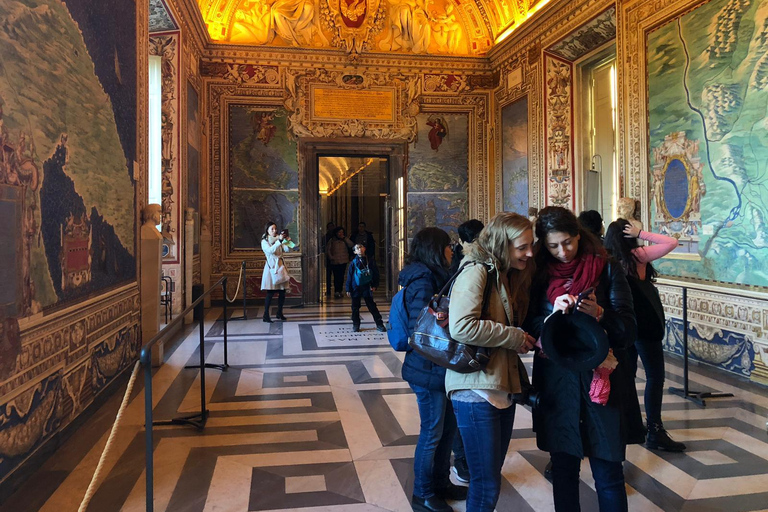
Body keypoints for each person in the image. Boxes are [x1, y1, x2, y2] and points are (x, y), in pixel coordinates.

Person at [526, 206, 644, 512]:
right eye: (553, 246)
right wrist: (553, 313)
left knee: (608, 471)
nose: (562, 252)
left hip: (602, 381)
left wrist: (600, 314)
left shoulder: (606, 267)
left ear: (579, 236)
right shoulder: (539, 272)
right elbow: (529, 324)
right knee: (564, 470)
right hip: (558, 382)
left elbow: (629, 329)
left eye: (568, 242)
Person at [446, 213, 537, 512]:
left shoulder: (503, 272)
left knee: (489, 479)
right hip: (475, 388)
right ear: (502, 243)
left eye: (531, 245)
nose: (530, 253)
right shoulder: (476, 270)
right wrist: (513, 337)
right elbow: (462, 326)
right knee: (485, 484)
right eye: (522, 247)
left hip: (498, 385)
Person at [397, 227, 467, 512]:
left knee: (447, 431)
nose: (452, 250)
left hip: (440, 368)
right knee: (432, 434)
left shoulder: (435, 275)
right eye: (448, 245)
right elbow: (420, 332)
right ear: (435, 249)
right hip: (427, 370)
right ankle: (423, 493)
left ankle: (440, 483)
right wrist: (446, 319)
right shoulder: (424, 280)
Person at [603, 219, 685, 452]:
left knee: (626, 377)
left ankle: (626, 426)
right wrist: (642, 233)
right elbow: (672, 241)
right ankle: (655, 429)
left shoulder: (608, 259)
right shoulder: (637, 255)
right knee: (655, 376)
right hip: (644, 325)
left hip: (622, 325)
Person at [345, 243, 386, 332]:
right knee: (355, 307)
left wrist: (375, 285)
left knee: (372, 306)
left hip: (367, 286)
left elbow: (375, 273)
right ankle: (356, 324)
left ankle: (379, 324)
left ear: (364, 248)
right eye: (357, 248)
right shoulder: (353, 263)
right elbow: (350, 276)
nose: (360, 249)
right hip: (356, 287)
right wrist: (348, 288)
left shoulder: (370, 261)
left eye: (361, 247)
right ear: (355, 252)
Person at [261, 221, 291, 323]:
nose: (274, 231)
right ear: (267, 230)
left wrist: (286, 242)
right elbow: (270, 251)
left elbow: (286, 250)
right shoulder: (264, 241)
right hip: (271, 268)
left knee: (282, 292)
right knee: (270, 292)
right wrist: (279, 241)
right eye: (272, 229)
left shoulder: (279, 239)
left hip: (280, 267)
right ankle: (266, 315)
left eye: (275, 229)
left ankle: (279, 313)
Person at [327, 227, 354, 298]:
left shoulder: (345, 240)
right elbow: (328, 250)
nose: (340, 234)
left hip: (343, 260)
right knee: (336, 276)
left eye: (342, 232)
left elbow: (351, 245)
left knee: (341, 276)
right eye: (339, 232)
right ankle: (336, 291)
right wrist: (331, 257)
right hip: (335, 261)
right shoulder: (332, 240)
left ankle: (340, 290)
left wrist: (345, 238)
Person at [323, 221, 336, 297]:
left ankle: (337, 290)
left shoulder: (336, 237)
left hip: (336, 257)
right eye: (330, 227)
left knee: (336, 275)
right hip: (328, 258)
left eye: (332, 226)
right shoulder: (326, 237)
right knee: (328, 275)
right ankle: (328, 290)